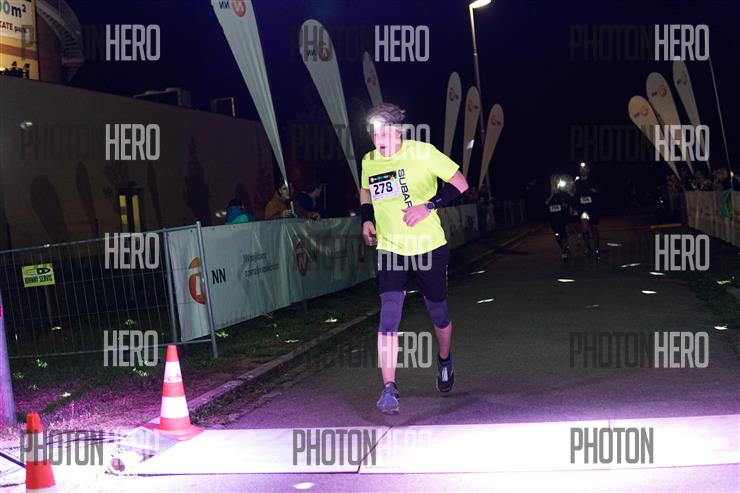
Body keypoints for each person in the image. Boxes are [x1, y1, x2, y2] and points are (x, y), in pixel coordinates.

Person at [359, 103, 469, 414]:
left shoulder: (423, 152)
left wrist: (428, 206)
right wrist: (366, 220)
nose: (379, 140)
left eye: (384, 133)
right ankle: (389, 388)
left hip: (428, 246)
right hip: (391, 248)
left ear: (398, 133)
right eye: (374, 134)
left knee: (438, 312)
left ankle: (445, 359)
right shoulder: (369, 160)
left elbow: (461, 184)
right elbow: (365, 190)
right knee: (389, 314)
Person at [545, 175, 577, 261]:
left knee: (564, 233)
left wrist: (571, 191)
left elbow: (571, 197)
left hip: (563, 217)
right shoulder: (547, 192)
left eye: (557, 181)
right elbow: (545, 204)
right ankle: (564, 248)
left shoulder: (562, 193)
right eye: (553, 181)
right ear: (551, 182)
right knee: (558, 235)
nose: (555, 183)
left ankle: (564, 251)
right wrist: (551, 195)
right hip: (553, 218)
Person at [574, 162, 601, 259]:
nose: (583, 170)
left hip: (593, 208)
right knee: (584, 228)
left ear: (588, 170)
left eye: (585, 168)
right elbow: (574, 196)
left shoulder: (593, 180)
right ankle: (587, 248)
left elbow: (600, 192)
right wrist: (574, 208)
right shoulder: (577, 183)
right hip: (583, 209)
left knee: (594, 228)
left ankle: (596, 249)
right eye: (581, 169)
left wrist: (595, 191)